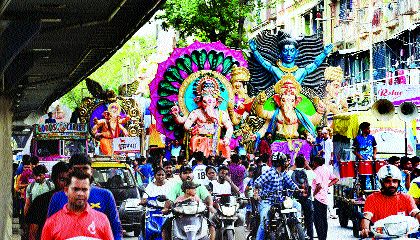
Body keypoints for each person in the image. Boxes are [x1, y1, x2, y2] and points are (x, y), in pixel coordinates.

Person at [47, 153, 122, 239]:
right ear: (70, 171)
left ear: (91, 171)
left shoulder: (105, 195)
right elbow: (50, 227)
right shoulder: (58, 197)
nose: (81, 171)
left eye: (85, 168)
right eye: (77, 169)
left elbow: (116, 228)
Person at [171, 74, 234, 159]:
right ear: (200, 102)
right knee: (196, 144)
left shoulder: (221, 114)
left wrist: (227, 138)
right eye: (205, 102)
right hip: (199, 142)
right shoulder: (196, 112)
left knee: (224, 148)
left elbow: (229, 127)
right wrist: (176, 115)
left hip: (216, 142)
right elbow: (184, 123)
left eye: (211, 102)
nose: (208, 105)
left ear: (216, 102)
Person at [41, 170, 113, 240]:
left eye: (84, 190)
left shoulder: (102, 219)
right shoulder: (52, 223)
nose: (80, 194)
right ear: (66, 191)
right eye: (76, 189)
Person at [254, 74, 324, 139]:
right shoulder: (277, 114)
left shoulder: (297, 115)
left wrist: (320, 111)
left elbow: (312, 120)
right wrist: (260, 103)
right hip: (279, 142)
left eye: (292, 100)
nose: (288, 104)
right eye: (284, 100)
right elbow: (262, 115)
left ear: (296, 102)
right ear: (278, 101)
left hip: (295, 141)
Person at [360, 164, 420, 238]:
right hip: (380, 237)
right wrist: (365, 229)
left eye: (395, 181)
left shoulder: (406, 198)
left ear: (399, 182)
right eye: (387, 181)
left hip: (403, 237)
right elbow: (367, 216)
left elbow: (416, 212)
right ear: (381, 182)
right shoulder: (372, 198)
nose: (392, 184)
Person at [253, 152, 300, 240]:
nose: (287, 164)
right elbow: (257, 182)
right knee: (264, 223)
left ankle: (296, 226)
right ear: (281, 163)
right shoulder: (270, 173)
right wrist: (256, 194)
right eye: (285, 162)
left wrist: (298, 189)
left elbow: (291, 183)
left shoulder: (283, 173)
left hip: (280, 201)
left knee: (297, 205)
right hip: (267, 202)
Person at [162, 165, 215, 240]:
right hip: (180, 217)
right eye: (185, 173)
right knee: (165, 227)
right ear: (180, 175)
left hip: (197, 216)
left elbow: (207, 196)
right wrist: (166, 208)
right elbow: (170, 200)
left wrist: (210, 206)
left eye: (190, 172)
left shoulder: (198, 185)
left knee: (212, 226)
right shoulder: (177, 187)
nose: (188, 175)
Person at [249, 37, 333, 85]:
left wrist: (324, 53)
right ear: (280, 53)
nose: (289, 54)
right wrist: (254, 50)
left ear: (296, 53)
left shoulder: (302, 71)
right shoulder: (276, 70)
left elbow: (315, 64)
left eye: (292, 51)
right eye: (285, 51)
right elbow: (263, 62)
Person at [26, 162, 70, 240]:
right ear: (54, 179)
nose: (66, 184)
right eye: (62, 180)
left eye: (69, 180)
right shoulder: (41, 201)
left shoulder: (78, 203)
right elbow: (33, 233)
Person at [288, 155, 316, 240]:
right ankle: (310, 237)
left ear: (295, 163)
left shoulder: (290, 173)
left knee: (291, 218)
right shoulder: (309, 173)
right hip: (306, 199)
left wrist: (294, 166)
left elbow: (287, 174)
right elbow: (314, 175)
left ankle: (293, 234)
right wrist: (306, 165)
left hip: (294, 199)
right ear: (304, 163)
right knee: (309, 221)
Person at [312, 156, 339, 240]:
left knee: (318, 219)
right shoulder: (326, 169)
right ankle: (324, 237)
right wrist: (327, 186)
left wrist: (313, 194)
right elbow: (336, 179)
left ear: (316, 163)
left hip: (318, 197)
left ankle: (321, 237)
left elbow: (319, 185)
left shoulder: (316, 171)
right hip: (324, 197)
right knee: (324, 219)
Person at [353, 122, 377, 190]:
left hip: (370, 160)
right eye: (368, 129)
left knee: (372, 176)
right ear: (363, 130)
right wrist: (359, 156)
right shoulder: (357, 138)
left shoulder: (372, 138)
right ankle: (363, 192)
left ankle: (373, 191)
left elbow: (375, 147)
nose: (369, 130)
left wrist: (374, 155)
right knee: (362, 177)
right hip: (361, 161)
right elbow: (354, 150)